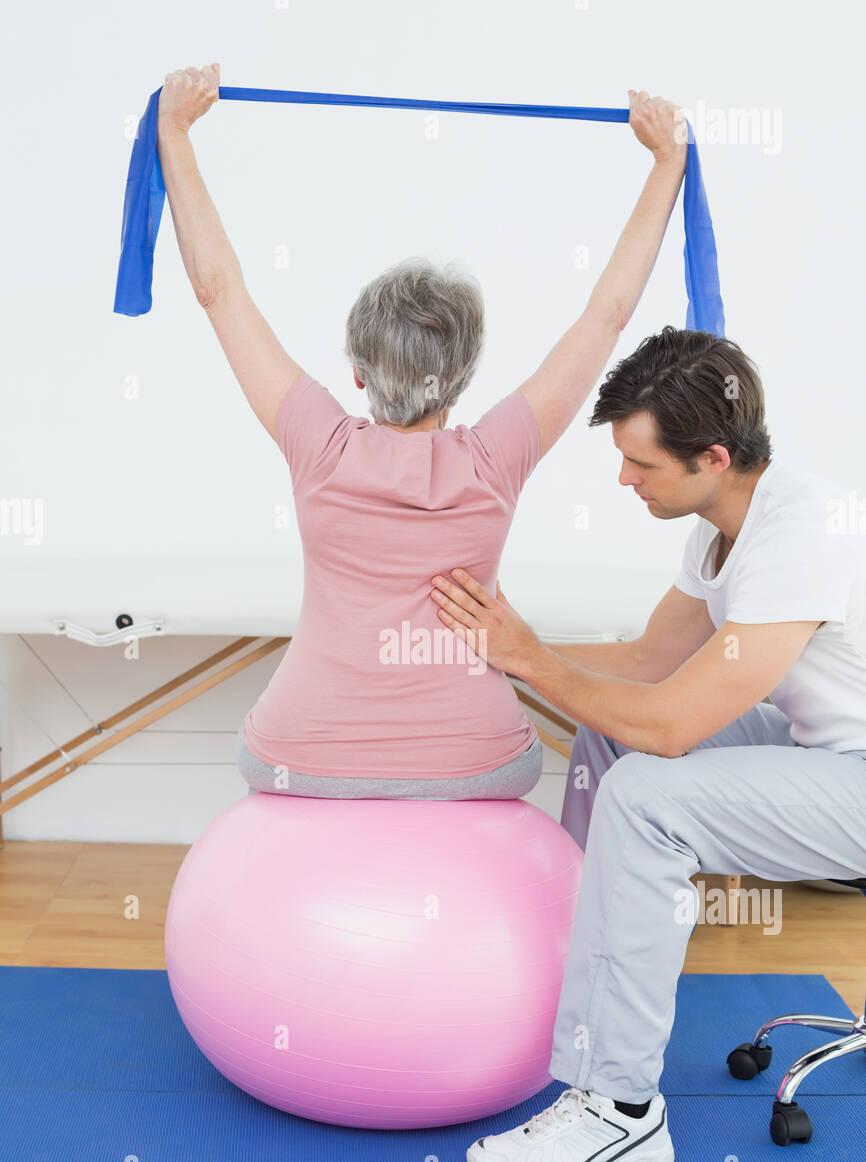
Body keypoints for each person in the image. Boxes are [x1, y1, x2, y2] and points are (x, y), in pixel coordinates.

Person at [156, 64, 687, 798]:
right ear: (465, 375)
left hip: (302, 753)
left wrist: (174, 133)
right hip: (476, 761)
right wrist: (667, 164)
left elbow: (218, 290)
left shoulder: (318, 441)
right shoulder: (496, 454)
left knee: (258, 744)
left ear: (357, 374)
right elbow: (608, 314)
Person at [431, 326, 866, 1162]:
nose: (623, 479)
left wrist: (528, 660)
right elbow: (644, 668)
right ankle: (581, 977)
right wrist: (511, 643)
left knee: (645, 792)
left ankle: (617, 1110)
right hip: (832, 750)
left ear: (710, 456)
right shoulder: (722, 527)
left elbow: (670, 727)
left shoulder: (797, 534)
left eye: (641, 464)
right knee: (610, 735)